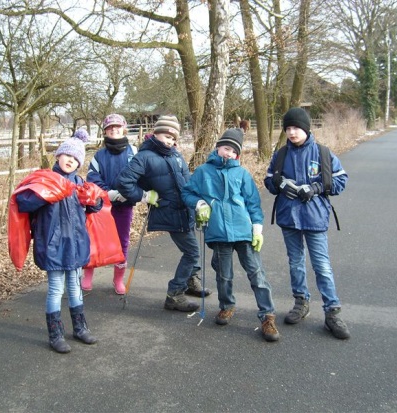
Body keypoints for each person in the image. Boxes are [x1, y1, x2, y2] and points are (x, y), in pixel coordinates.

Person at [182, 128, 280, 342]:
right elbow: (187, 192)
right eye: (226, 148)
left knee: (256, 274)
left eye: (233, 151)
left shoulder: (242, 174)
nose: (228, 154)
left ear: (237, 155)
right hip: (218, 232)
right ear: (218, 148)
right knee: (223, 275)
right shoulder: (202, 172)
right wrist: (198, 203)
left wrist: (257, 227)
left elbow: (253, 202)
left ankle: (267, 315)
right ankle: (227, 306)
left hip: (243, 231)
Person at [264, 107, 351, 340]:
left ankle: (332, 312)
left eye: (296, 128)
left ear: (306, 128)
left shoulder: (323, 153)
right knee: (295, 263)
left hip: (315, 218)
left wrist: (316, 188)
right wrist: (280, 184)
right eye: (288, 128)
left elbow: (341, 180)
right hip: (288, 218)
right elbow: (268, 179)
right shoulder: (280, 154)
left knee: (322, 266)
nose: (292, 133)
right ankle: (301, 302)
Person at [14, 131, 101, 353]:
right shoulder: (43, 179)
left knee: (75, 287)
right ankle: (55, 334)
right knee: (55, 289)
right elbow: (23, 202)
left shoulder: (80, 182)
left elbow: (93, 207)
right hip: (52, 244)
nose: (70, 161)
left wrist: (94, 199)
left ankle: (80, 328)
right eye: (67, 156)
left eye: (75, 159)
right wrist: (45, 194)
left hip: (76, 243)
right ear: (58, 156)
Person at [116, 115, 211, 312]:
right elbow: (124, 182)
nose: (168, 140)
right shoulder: (144, 156)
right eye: (165, 135)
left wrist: (199, 200)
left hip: (185, 211)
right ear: (155, 133)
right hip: (168, 212)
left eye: (172, 137)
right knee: (192, 253)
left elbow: (187, 182)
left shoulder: (176, 155)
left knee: (191, 250)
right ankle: (174, 294)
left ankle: (191, 281)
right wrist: (144, 196)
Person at [83, 113, 138, 294]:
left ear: (124, 128)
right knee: (94, 240)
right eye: (110, 127)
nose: (114, 129)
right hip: (101, 206)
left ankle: (118, 279)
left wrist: (128, 193)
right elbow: (92, 178)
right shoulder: (99, 156)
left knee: (122, 241)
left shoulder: (134, 152)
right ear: (105, 131)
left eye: (117, 126)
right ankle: (88, 275)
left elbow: (140, 175)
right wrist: (109, 194)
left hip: (125, 205)